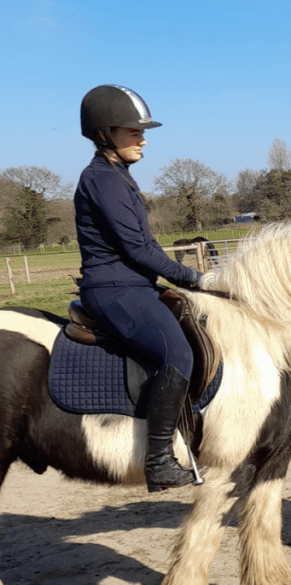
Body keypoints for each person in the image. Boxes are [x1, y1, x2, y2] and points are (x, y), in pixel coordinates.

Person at [75, 84, 204, 491]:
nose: (143, 139)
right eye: (133, 132)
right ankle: (159, 461)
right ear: (105, 133)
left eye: (141, 132)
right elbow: (136, 249)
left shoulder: (119, 176)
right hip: (114, 287)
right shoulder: (103, 179)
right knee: (177, 352)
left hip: (132, 283)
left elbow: (146, 245)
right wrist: (192, 277)